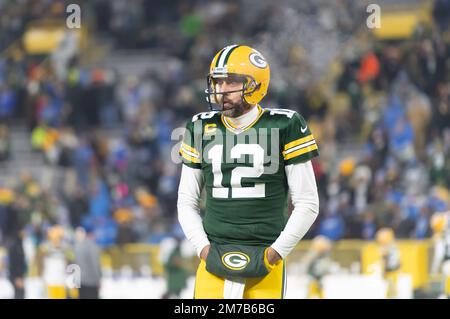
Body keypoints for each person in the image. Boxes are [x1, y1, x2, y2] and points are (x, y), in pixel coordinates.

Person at [177, 44, 320, 299]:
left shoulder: (285, 124)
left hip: (265, 257)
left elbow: (307, 203)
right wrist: (204, 250)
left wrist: (275, 253)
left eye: (230, 82)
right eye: (217, 82)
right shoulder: (200, 126)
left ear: (256, 85)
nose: (221, 91)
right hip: (214, 257)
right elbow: (186, 201)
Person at [74, 226, 102, 299]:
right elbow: (95, 263)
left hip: (81, 281)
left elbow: (75, 266)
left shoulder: (76, 246)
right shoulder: (92, 246)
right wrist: (98, 279)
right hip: (91, 281)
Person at [375, 228, 401, 299]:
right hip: (395, 269)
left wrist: (383, 271)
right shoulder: (394, 246)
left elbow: (385, 260)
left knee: (390, 291)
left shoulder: (386, 248)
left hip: (390, 270)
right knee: (393, 290)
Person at [430, 212, 450, 298]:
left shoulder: (441, 236)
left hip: (447, 262)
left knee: (444, 291)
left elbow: (439, 254)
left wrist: (433, 270)